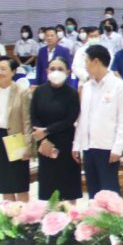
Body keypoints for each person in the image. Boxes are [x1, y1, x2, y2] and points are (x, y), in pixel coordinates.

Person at [73, 45, 123, 198]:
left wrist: (118, 148)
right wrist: (77, 144)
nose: (85, 65)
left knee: (110, 193)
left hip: (108, 148)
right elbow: (82, 118)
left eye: (86, 61)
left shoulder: (119, 86)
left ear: (96, 62)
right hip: (88, 146)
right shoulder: (86, 87)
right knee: (93, 193)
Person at [0, 57, 33, 201]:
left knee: (20, 185)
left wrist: (28, 146)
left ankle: (25, 214)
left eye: (3, 69)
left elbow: (27, 121)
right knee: (5, 187)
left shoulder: (22, 91)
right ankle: (9, 213)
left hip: (17, 140)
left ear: (13, 71)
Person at [30, 57, 81, 201]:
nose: (56, 72)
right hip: (44, 143)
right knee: (48, 185)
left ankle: (70, 213)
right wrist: (43, 139)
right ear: (47, 71)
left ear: (67, 72)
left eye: (60, 69)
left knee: (68, 187)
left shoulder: (72, 93)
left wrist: (47, 130)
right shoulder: (39, 92)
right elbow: (33, 117)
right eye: (52, 69)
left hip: (66, 143)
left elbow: (70, 119)